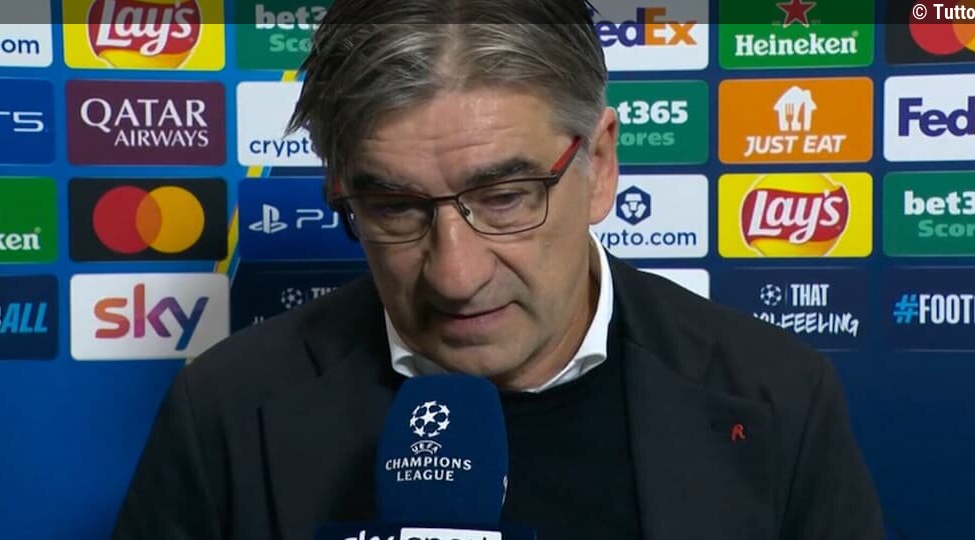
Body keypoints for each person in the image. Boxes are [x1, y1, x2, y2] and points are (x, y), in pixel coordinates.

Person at [110, 1, 886, 538]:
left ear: (601, 165)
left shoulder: (778, 395)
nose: (455, 275)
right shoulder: (226, 413)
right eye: (394, 208)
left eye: (506, 197)